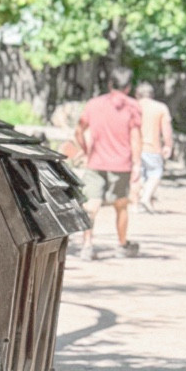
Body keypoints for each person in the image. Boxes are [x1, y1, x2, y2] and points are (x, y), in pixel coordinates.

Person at [78, 68, 143, 256]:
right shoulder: (133, 106)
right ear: (128, 87)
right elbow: (135, 137)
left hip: (95, 162)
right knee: (121, 206)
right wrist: (137, 164)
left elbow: (78, 131)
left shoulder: (93, 104)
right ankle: (122, 245)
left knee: (91, 205)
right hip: (121, 164)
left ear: (109, 84)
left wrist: (85, 150)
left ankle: (87, 246)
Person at [134, 82, 174, 213]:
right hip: (152, 147)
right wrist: (168, 145)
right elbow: (166, 130)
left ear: (137, 94)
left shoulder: (133, 107)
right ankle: (146, 198)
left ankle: (137, 204)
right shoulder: (160, 108)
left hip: (134, 147)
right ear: (152, 94)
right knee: (155, 173)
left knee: (138, 175)